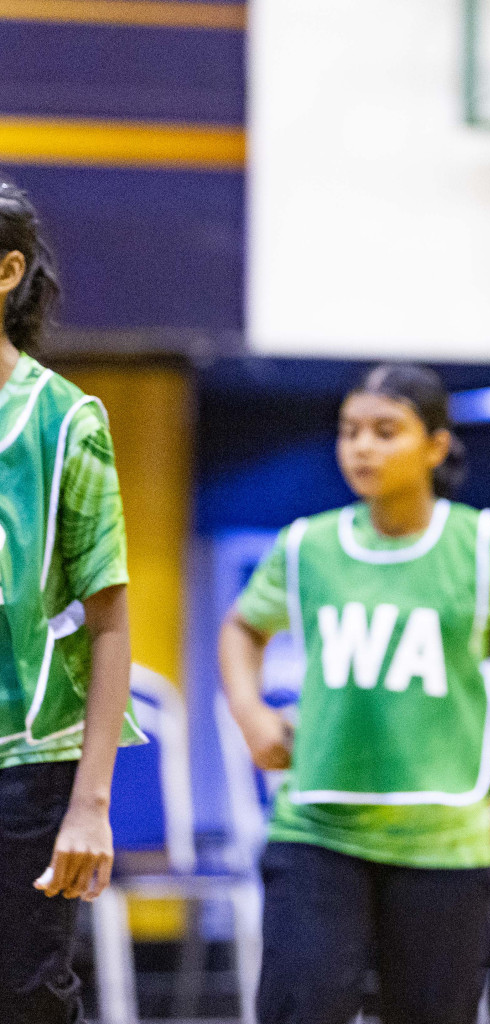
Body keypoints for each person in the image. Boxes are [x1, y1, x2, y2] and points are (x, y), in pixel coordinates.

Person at [219, 363, 490, 1024]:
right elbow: (241, 627)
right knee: (301, 1007)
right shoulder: (308, 545)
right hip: (318, 829)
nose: (362, 447)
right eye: (349, 432)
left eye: (384, 431)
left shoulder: (487, 547)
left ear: (435, 445)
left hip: (443, 839)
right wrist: (251, 714)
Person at [0, 180, 136, 1023]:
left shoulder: (62, 421)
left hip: (25, 770)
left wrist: (90, 803)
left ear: (6, 270)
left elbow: (111, 620)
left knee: (25, 998)